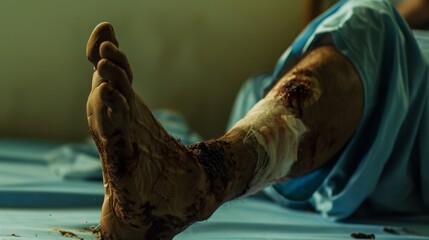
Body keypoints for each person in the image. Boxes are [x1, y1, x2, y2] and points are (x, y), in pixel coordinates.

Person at [85, 0, 429, 239]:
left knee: (370, 23)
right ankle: (199, 170)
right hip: (324, 166)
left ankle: (197, 180)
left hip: (408, 109)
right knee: (256, 95)